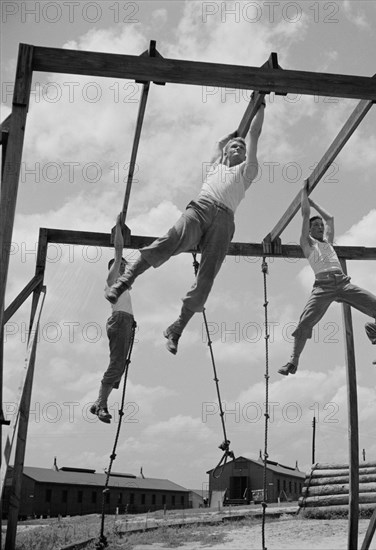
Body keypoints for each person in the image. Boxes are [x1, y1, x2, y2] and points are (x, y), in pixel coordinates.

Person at [105, 103, 265, 355]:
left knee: (207, 277)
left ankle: (177, 328)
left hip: (224, 221)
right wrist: (233, 133)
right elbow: (218, 143)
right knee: (169, 241)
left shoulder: (248, 171)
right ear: (225, 153)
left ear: (245, 156)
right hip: (201, 208)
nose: (238, 147)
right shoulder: (215, 167)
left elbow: (254, 134)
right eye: (234, 145)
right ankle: (124, 281)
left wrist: (261, 104)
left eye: (241, 147)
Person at [278, 181, 376, 376]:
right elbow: (305, 214)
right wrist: (304, 193)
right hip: (323, 286)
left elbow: (331, 218)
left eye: (320, 225)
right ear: (309, 231)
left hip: (343, 283)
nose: (319, 227)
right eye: (315, 226)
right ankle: (293, 360)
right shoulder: (307, 244)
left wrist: (315, 203)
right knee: (305, 322)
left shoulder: (328, 243)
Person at [91, 214, 136, 424]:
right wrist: (118, 227)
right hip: (119, 321)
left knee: (120, 365)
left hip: (125, 321)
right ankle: (101, 404)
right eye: (122, 267)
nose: (125, 269)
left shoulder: (122, 287)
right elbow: (118, 252)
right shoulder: (111, 281)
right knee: (117, 364)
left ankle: (99, 401)